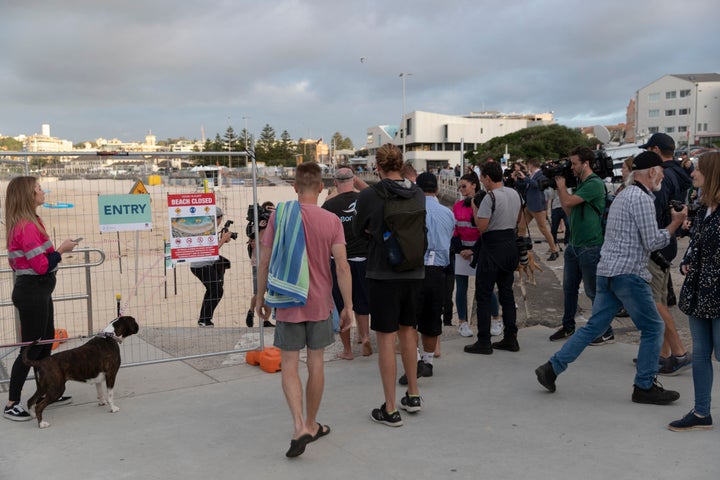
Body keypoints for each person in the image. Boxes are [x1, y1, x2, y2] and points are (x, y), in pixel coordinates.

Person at [535, 151, 686, 405]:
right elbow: (651, 242)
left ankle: (552, 367)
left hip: (607, 271)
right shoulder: (642, 198)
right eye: (660, 171)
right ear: (651, 172)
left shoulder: (624, 195)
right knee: (654, 327)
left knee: (594, 326)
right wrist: (675, 224)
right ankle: (644, 386)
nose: (662, 176)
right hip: (628, 274)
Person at [255, 162, 352, 457]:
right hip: (320, 302)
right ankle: (312, 423)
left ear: (295, 187)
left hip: (287, 300)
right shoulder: (331, 220)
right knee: (317, 363)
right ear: (322, 187)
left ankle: (298, 425)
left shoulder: (280, 217)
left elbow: (265, 259)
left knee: (290, 363)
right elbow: (342, 266)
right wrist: (348, 305)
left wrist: (260, 298)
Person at [354, 143, 426, 427]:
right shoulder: (418, 191)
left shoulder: (371, 195)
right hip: (414, 270)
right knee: (409, 331)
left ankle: (391, 408)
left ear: (378, 167)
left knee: (386, 338)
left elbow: (358, 230)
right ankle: (414, 394)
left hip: (383, 273)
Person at [4, 177, 79, 421]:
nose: (43, 191)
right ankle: (12, 403)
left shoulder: (33, 221)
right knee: (30, 349)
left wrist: (55, 254)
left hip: (40, 291)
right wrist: (61, 250)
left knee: (45, 344)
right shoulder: (25, 226)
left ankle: (47, 391)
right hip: (32, 292)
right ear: (28, 195)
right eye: (38, 188)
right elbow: (40, 265)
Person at [668, 151, 720, 431]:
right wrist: (688, 262)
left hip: (718, 294)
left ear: (712, 174)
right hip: (699, 293)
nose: (692, 173)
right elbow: (696, 245)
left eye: (698, 170)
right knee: (700, 354)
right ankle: (702, 413)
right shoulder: (704, 208)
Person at [548, 147, 613, 344]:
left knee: (593, 292)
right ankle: (568, 326)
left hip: (591, 246)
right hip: (575, 245)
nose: (572, 167)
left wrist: (561, 186)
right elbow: (568, 209)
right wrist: (564, 190)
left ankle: (606, 330)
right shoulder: (582, 184)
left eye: (575, 163)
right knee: (569, 289)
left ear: (586, 163)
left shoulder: (593, 184)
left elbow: (566, 200)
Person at [640, 133, 693, 373]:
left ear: (655, 150)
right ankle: (661, 353)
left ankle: (679, 352)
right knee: (659, 300)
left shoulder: (663, 176)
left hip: (657, 244)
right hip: (667, 243)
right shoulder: (678, 174)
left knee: (654, 302)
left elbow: (652, 213)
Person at [398, 172, 454, 384]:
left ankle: (417, 359)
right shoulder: (447, 213)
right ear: (437, 189)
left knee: (409, 321)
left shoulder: (412, 210)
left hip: (415, 270)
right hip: (438, 271)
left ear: (417, 190)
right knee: (432, 318)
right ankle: (428, 362)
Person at [464, 161, 523, 355]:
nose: (481, 181)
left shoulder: (490, 197)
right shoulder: (514, 194)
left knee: (483, 294)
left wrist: (474, 206)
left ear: (488, 178)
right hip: (510, 245)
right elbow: (518, 221)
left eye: (482, 178)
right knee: (506, 293)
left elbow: (481, 227)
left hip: (492, 247)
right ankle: (510, 337)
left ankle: (484, 341)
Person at [321, 167, 372, 359]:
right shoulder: (365, 199)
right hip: (364, 259)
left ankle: (348, 350)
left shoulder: (329, 205)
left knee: (344, 304)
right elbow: (374, 194)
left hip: (340, 261)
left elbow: (324, 236)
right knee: (362, 302)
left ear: (334, 183)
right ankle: (365, 336)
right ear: (354, 180)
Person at [452, 173, 501, 337]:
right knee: (461, 288)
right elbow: (455, 231)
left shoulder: (485, 203)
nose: (461, 189)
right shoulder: (457, 206)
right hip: (462, 251)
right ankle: (463, 322)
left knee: (486, 286)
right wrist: (460, 250)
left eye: (464, 186)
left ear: (474, 185)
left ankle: (496, 318)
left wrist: (474, 250)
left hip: (480, 250)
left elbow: (485, 230)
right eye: (460, 187)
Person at [190, 207, 233, 327]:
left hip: (202, 264)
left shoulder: (206, 227)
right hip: (201, 265)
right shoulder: (208, 229)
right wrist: (223, 240)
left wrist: (223, 240)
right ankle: (204, 319)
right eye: (220, 219)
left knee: (212, 290)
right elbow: (211, 251)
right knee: (217, 291)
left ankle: (204, 319)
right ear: (217, 218)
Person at [516, 158, 560, 261]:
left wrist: (526, 179)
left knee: (543, 228)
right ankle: (521, 248)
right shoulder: (530, 175)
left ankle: (554, 250)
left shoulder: (541, 174)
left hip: (538, 206)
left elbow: (538, 185)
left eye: (528, 165)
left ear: (531, 165)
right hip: (529, 205)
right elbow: (526, 186)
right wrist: (519, 179)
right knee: (521, 226)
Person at [245, 201, 275, 328]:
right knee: (260, 292)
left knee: (266, 292)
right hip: (259, 262)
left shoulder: (260, 225)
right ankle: (251, 311)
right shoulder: (259, 225)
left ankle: (264, 320)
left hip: (264, 262)